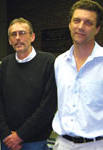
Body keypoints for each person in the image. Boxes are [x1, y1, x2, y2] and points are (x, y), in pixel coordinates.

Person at [0, 17, 57, 150]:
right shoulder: (5, 63)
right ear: (9, 40)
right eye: (13, 34)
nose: (18, 38)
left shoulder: (48, 62)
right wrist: (6, 135)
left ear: (32, 37)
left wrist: (20, 136)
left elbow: (47, 106)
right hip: (7, 141)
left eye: (22, 33)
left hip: (36, 141)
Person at [52, 0, 103, 149]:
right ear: (70, 25)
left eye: (88, 22)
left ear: (97, 29)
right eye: (76, 20)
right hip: (63, 143)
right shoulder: (59, 62)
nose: (80, 27)